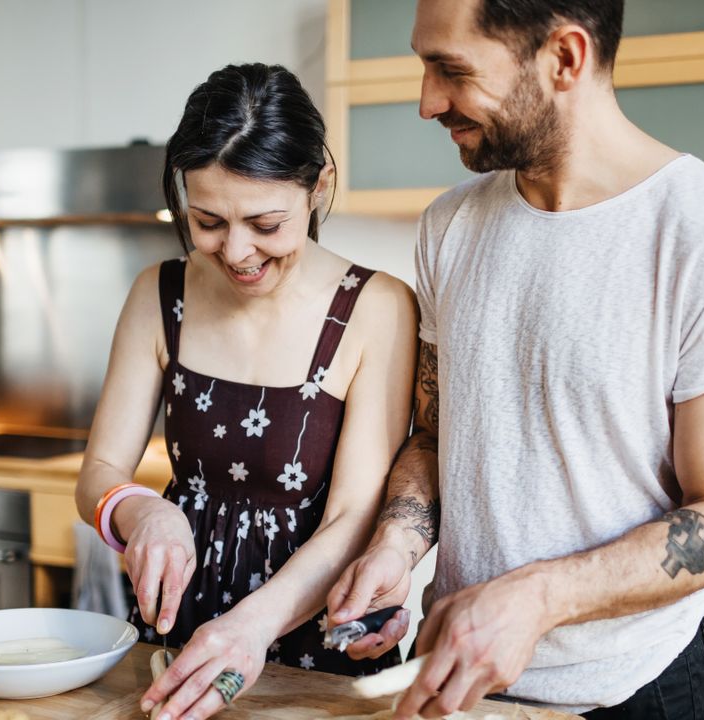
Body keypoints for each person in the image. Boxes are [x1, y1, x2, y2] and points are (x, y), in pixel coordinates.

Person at [326, 0, 704, 717]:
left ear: (566, 58)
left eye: (451, 70)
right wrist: (396, 546)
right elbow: (435, 435)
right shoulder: (450, 225)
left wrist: (537, 599)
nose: (427, 102)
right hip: (458, 676)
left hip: (630, 690)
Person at [74, 63, 418, 720]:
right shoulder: (158, 293)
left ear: (319, 187)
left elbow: (353, 517)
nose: (235, 253)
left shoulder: (377, 307)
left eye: (265, 224)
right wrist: (141, 513)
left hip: (318, 637)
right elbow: (99, 472)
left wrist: (253, 627)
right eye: (207, 220)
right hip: (180, 641)